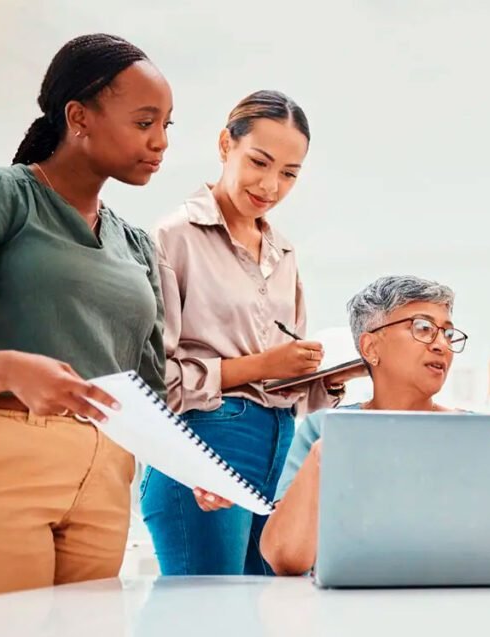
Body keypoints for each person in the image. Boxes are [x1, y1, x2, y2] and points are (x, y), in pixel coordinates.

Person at [0, 34, 172, 598]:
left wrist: (191, 472)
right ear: (79, 117)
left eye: (166, 125)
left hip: (107, 477)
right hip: (0, 460)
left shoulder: (138, 246)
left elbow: (149, 392)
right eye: (144, 122)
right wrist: (7, 369)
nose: (160, 142)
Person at [141, 91, 363, 576]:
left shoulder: (284, 253)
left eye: (289, 173)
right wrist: (263, 366)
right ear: (226, 144)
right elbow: (156, 378)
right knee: (208, 608)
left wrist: (325, 377)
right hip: (204, 444)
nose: (271, 185)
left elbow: (284, 383)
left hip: (279, 446)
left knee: (269, 603)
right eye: (259, 162)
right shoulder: (174, 237)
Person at [259, 275, 467, 575]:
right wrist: (321, 457)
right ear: (370, 348)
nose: (441, 345)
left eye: (447, 334)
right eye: (423, 328)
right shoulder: (325, 430)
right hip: (347, 601)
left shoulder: (476, 434)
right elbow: (285, 558)